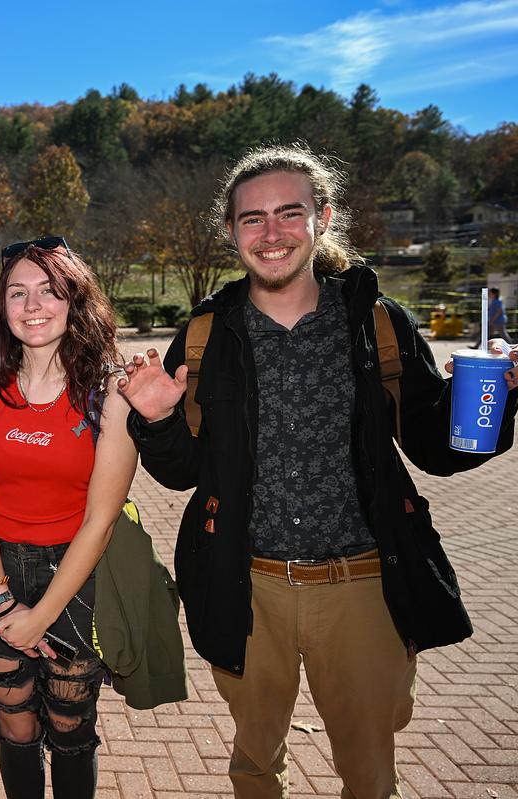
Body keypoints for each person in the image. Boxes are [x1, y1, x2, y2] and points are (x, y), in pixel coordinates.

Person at [116, 145, 518, 799]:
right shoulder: (206, 334)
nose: (269, 233)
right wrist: (157, 421)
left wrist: (494, 398)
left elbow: (435, 447)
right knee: (254, 763)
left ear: (322, 217)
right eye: (252, 218)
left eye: (288, 212)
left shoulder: (377, 324)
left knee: (369, 771)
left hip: (361, 583)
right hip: (245, 584)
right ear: (230, 231)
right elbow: (184, 472)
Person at [0, 238, 138, 798]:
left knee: (70, 724)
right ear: (2, 307)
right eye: (18, 293)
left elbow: (100, 522)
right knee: (15, 723)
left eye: (49, 291)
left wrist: (41, 616)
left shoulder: (111, 393)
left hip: (77, 574)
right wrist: (4, 600)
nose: (33, 306)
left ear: (74, 300)